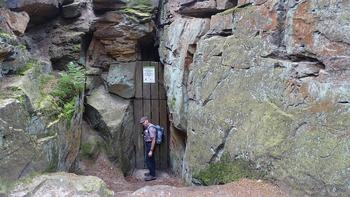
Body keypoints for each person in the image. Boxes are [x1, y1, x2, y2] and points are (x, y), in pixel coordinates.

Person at [140, 116, 157, 181]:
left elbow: (153, 140)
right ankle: (151, 172)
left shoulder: (151, 128)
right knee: (149, 160)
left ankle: (153, 175)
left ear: (147, 121)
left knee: (149, 160)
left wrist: (151, 150)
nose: (143, 124)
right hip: (148, 144)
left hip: (150, 145)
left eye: (143, 122)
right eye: (142, 123)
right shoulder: (147, 127)